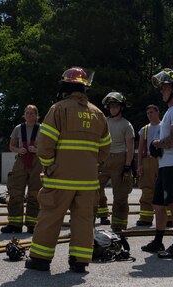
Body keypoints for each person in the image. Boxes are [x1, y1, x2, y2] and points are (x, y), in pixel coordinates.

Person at [24, 66, 111, 273]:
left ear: (65, 86)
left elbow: (45, 144)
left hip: (60, 178)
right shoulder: (98, 113)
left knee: (51, 216)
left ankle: (40, 260)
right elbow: (106, 148)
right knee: (83, 220)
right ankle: (80, 261)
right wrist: (92, 164)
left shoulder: (59, 109)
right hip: (88, 181)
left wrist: (49, 164)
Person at [140, 68, 173, 259]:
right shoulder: (172, 110)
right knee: (158, 205)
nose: (161, 91)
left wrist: (157, 144)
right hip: (166, 164)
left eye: (165, 87)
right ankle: (158, 240)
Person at [95, 92, 135, 232]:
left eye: (115, 106)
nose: (113, 109)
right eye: (111, 106)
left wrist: (127, 166)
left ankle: (118, 226)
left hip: (120, 159)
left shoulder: (127, 125)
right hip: (104, 160)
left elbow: (130, 147)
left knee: (120, 195)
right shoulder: (104, 122)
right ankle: (97, 216)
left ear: (121, 107)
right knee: (94, 188)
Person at [1, 104, 42, 234]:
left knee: (35, 193)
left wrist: (36, 150)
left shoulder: (42, 129)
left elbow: (48, 147)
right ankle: (14, 223)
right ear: (24, 115)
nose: (29, 115)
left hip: (36, 161)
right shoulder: (18, 128)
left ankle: (32, 223)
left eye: (32, 113)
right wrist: (19, 150)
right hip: (21, 160)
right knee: (15, 192)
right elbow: (11, 146)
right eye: (27, 113)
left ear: (36, 115)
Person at [135, 104, 162, 227]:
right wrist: (139, 165)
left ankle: (168, 218)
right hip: (148, 160)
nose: (149, 115)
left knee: (163, 189)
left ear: (158, 112)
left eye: (152, 112)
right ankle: (146, 218)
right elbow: (140, 149)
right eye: (148, 113)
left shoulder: (165, 127)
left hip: (162, 160)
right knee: (147, 190)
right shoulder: (144, 129)